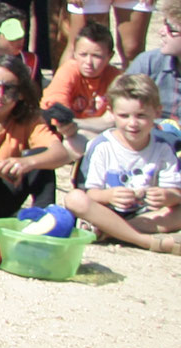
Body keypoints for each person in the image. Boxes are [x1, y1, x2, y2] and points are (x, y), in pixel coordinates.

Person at [62, 74, 181, 253]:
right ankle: (144, 241)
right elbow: (90, 192)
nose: (132, 123)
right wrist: (109, 196)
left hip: (144, 214)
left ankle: (113, 232)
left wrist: (166, 196)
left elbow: (175, 194)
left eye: (141, 116)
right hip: (105, 211)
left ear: (157, 113)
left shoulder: (163, 147)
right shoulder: (102, 146)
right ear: (111, 112)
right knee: (74, 199)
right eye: (124, 116)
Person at [0, 56, 74, 218]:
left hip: (6, 190)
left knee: (41, 159)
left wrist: (26, 163)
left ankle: (43, 216)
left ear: (21, 94)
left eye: (8, 88)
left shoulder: (29, 119)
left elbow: (60, 153)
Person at [42, 21, 123, 125]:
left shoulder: (115, 77)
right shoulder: (68, 71)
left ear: (110, 56)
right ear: (74, 53)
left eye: (96, 56)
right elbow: (56, 108)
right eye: (83, 55)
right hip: (68, 130)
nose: (88, 62)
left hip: (101, 130)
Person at [124, 0, 181, 118]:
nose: (161, 32)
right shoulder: (148, 63)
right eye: (164, 24)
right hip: (150, 134)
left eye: (170, 29)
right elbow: (118, 112)